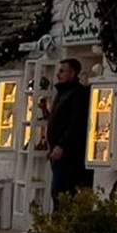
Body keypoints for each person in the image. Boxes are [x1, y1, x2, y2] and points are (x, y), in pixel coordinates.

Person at [43, 57, 92, 204]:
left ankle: (61, 222)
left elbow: (75, 123)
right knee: (58, 191)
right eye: (59, 71)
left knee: (62, 191)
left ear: (73, 73)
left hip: (69, 154)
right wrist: (50, 144)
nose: (59, 74)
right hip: (57, 150)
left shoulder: (77, 93)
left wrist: (61, 145)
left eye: (62, 71)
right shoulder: (62, 92)